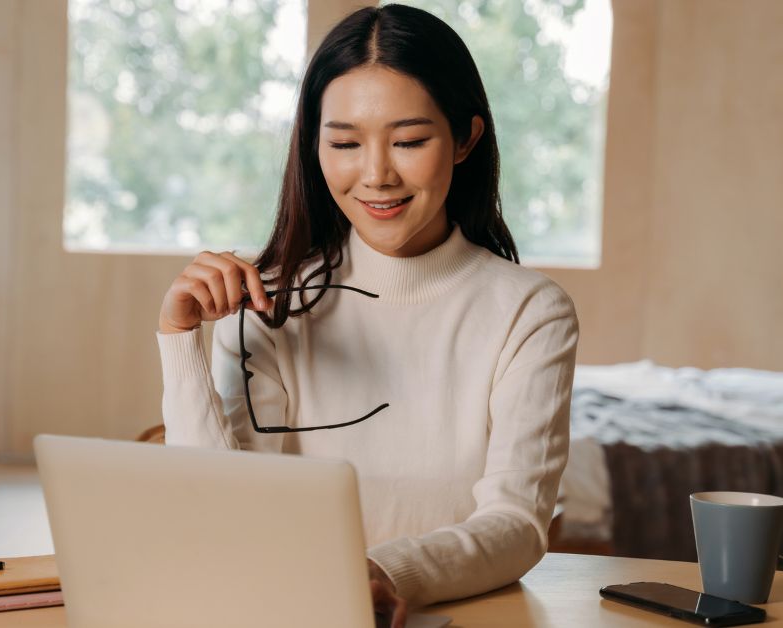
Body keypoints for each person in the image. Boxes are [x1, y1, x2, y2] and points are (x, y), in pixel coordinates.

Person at [156, 4, 578, 626]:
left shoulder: (529, 312)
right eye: (346, 143)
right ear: (314, 146)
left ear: (466, 139)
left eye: (409, 141)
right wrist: (179, 338)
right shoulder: (267, 301)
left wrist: (380, 574)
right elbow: (220, 509)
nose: (377, 175)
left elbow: (516, 525)